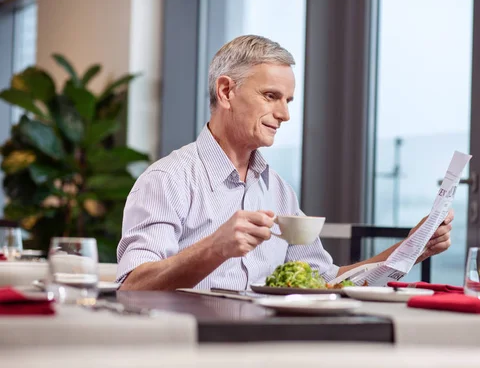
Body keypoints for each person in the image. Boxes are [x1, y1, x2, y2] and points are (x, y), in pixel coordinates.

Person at [116, 35, 453, 291]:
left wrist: (409, 250)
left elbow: (325, 282)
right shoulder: (167, 180)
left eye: (288, 100)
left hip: (268, 351)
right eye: (271, 96)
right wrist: (215, 248)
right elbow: (132, 285)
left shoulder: (277, 190)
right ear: (225, 92)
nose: (285, 114)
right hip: (195, 352)